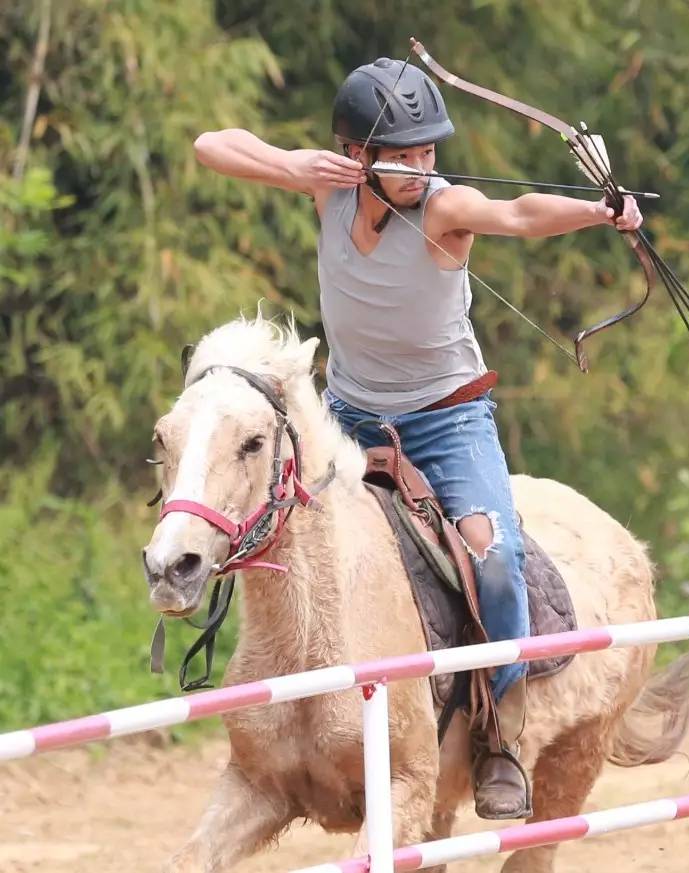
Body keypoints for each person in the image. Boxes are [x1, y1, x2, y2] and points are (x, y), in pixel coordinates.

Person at [192, 56, 643, 820]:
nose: (420, 168)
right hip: (346, 418)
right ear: (357, 156)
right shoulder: (327, 188)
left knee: (491, 558)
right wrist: (292, 162)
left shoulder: (444, 209)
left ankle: (498, 730)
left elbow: (523, 214)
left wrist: (602, 211)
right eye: (401, 155)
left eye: (428, 151)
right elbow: (212, 143)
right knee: (275, 525)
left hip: (447, 421)